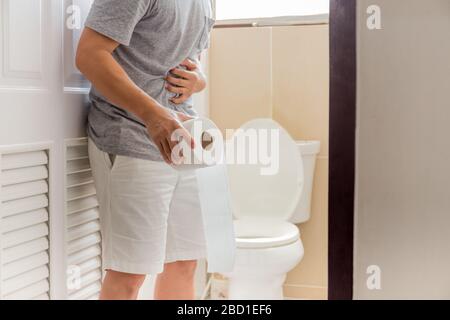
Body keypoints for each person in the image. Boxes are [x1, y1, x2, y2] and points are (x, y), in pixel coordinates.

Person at [76, 0, 215, 300]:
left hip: (184, 142)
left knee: (183, 263)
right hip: (132, 139)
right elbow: (89, 55)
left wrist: (199, 81)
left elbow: (189, 58)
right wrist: (154, 114)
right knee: (129, 275)